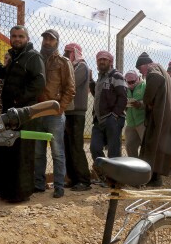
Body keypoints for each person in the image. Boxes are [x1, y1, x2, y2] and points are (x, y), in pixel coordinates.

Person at [0, 25, 45, 203]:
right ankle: (3, 189)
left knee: (21, 153)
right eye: (14, 36)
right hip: (9, 112)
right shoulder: (16, 57)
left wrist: (20, 101)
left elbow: (39, 82)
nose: (17, 39)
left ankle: (19, 193)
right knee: (3, 149)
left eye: (20, 36)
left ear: (27, 38)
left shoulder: (33, 57)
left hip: (24, 113)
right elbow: (3, 73)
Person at [33, 29, 75, 198]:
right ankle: (38, 184)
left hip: (54, 113)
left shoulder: (63, 62)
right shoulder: (36, 58)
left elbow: (70, 88)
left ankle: (59, 186)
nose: (47, 42)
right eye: (45, 39)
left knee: (57, 152)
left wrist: (60, 108)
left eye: (51, 39)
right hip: (37, 111)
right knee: (38, 151)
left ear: (56, 42)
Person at [136, 53, 171, 187]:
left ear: (144, 65)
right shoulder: (164, 71)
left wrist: (147, 100)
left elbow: (155, 79)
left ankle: (151, 178)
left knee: (152, 144)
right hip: (165, 115)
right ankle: (155, 178)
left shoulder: (153, 70)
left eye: (139, 68)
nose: (140, 72)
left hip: (158, 116)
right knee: (159, 146)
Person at [63, 43, 92, 192]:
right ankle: (73, 179)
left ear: (75, 52)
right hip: (68, 112)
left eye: (68, 52)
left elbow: (70, 83)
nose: (65, 54)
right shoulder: (72, 66)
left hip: (77, 112)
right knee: (68, 146)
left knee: (76, 147)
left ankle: (84, 180)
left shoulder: (81, 66)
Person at [89, 51, 127, 161]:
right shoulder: (100, 77)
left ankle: (114, 177)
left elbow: (123, 97)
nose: (101, 61)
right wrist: (91, 81)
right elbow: (97, 96)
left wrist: (114, 115)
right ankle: (104, 174)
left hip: (113, 119)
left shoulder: (116, 76)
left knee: (113, 152)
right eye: (99, 59)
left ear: (110, 62)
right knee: (94, 148)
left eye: (104, 59)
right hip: (99, 120)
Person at [123, 70, 145, 158]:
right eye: (128, 82)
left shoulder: (144, 86)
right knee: (129, 146)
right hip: (130, 122)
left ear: (137, 78)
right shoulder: (125, 88)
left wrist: (140, 104)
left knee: (146, 146)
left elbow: (150, 102)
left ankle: (146, 167)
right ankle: (134, 166)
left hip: (142, 121)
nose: (130, 84)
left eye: (132, 81)